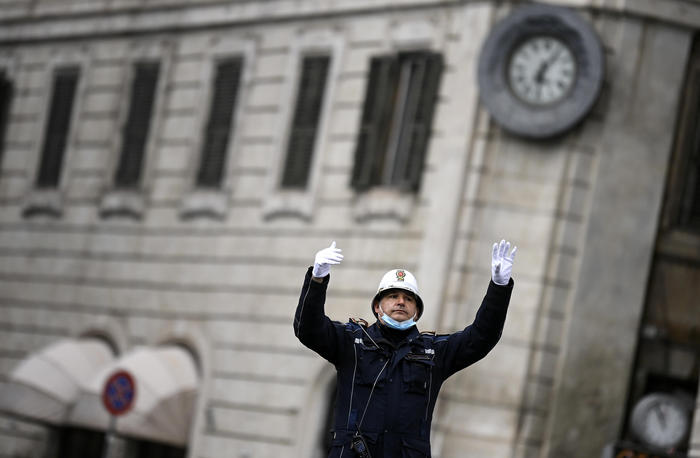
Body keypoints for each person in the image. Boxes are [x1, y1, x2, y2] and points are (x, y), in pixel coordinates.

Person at [293, 240, 516, 458]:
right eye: (393, 296)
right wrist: (317, 279)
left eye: (408, 298)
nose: (401, 302)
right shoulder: (352, 342)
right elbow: (308, 329)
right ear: (377, 308)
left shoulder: (434, 352)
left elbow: (481, 338)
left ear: (417, 312)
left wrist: (499, 288)